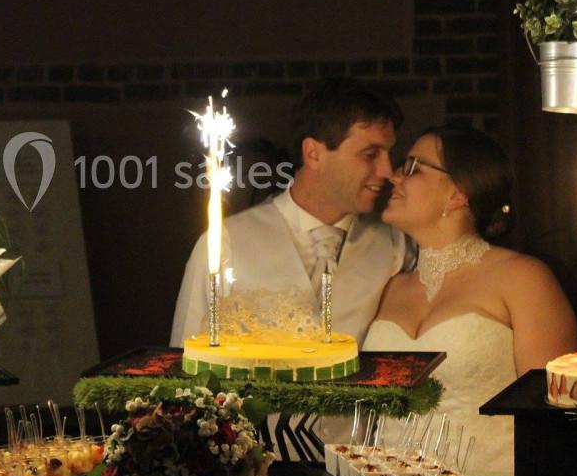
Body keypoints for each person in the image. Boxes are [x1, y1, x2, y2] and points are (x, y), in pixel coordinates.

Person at [362, 125, 577, 476]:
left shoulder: (523, 279)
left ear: (458, 193)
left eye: (413, 167)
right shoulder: (391, 286)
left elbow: (552, 420)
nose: (394, 176)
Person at [170, 78, 407, 347]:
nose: (387, 171)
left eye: (388, 153)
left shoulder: (395, 247)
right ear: (313, 153)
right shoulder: (224, 245)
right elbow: (185, 356)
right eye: (370, 154)